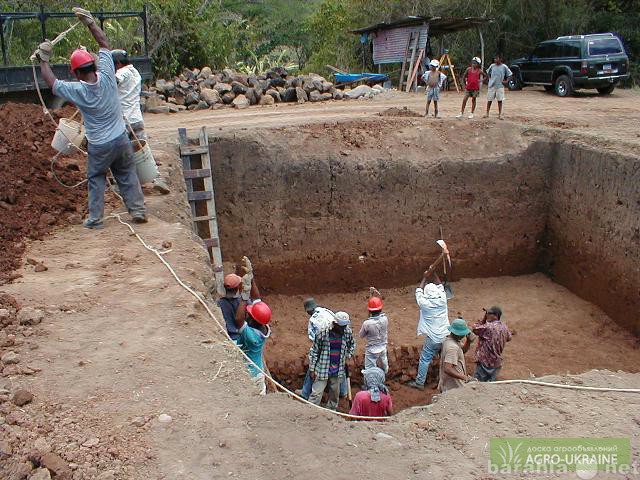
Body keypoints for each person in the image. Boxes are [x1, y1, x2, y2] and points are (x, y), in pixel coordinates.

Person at [33, 7, 146, 229]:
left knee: (96, 179)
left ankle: (96, 219)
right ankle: (138, 210)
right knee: (126, 174)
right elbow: (104, 44)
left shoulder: (77, 91)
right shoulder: (108, 76)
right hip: (121, 139)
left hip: (100, 145)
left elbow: (52, 83)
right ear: (94, 65)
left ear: (75, 73)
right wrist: (90, 23)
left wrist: (43, 60)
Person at [112, 49, 170, 194]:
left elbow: (111, 82)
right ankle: (156, 178)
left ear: (118, 63)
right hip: (137, 118)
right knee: (142, 150)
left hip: (123, 120)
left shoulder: (121, 73)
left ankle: (124, 185)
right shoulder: (135, 73)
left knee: (120, 154)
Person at [406, 266, 450, 391]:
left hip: (433, 338)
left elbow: (419, 290)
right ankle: (443, 382)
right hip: (446, 336)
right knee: (444, 360)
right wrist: (434, 273)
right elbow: (440, 285)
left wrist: (425, 278)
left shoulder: (424, 303)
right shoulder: (443, 299)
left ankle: (420, 383)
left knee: (425, 359)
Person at [234, 265, 272, 395]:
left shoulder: (252, 337)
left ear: (253, 319)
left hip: (251, 376)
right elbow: (257, 300)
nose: (247, 315)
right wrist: (251, 278)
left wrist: (244, 297)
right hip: (258, 371)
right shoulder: (263, 326)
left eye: (249, 315)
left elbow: (238, 320)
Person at [308, 313, 355, 410]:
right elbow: (314, 351)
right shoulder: (323, 333)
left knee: (334, 394)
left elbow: (352, 345)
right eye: (341, 326)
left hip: (338, 370)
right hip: (322, 368)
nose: (343, 329)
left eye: (345, 326)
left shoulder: (347, 333)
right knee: (316, 393)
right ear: (335, 324)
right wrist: (312, 369)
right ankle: (310, 411)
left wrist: (348, 356)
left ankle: (331, 413)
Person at [297, 298, 336, 399]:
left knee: (313, 368)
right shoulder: (327, 311)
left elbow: (313, 339)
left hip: (324, 348)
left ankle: (305, 392)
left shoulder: (313, 320)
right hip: (337, 344)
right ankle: (343, 391)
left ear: (308, 310)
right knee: (339, 368)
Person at [217, 256, 255, 341]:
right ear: (238, 287)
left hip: (229, 338)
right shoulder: (243, 301)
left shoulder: (219, 303)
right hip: (241, 337)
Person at [472, 306, 512, 382]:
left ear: (495, 315)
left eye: (488, 313)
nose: (486, 315)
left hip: (484, 362)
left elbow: (474, 328)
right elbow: (509, 338)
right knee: (490, 387)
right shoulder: (504, 327)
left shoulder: (488, 327)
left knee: (478, 385)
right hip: (496, 363)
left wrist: (483, 319)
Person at [438, 318, 475, 393]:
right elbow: (447, 368)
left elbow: (462, 350)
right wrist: (465, 377)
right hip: (453, 388)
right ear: (459, 334)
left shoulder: (449, 340)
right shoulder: (453, 348)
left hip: (449, 384)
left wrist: (468, 341)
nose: (465, 335)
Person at [359, 289, 389, 373]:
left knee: (369, 369)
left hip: (372, 350)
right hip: (383, 347)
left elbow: (361, 335)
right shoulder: (385, 319)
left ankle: (371, 384)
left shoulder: (367, 324)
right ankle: (384, 377)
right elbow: (378, 313)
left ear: (369, 310)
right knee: (384, 365)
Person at [484, 54, 513, 120]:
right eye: (494, 58)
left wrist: (506, 81)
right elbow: (487, 73)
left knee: (500, 100)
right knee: (489, 100)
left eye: (496, 58)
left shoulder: (504, 67)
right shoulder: (492, 66)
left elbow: (510, 74)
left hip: (500, 86)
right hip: (492, 86)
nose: (495, 60)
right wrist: (489, 79)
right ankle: (487, 113)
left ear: (500, 59)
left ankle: (500, 114)